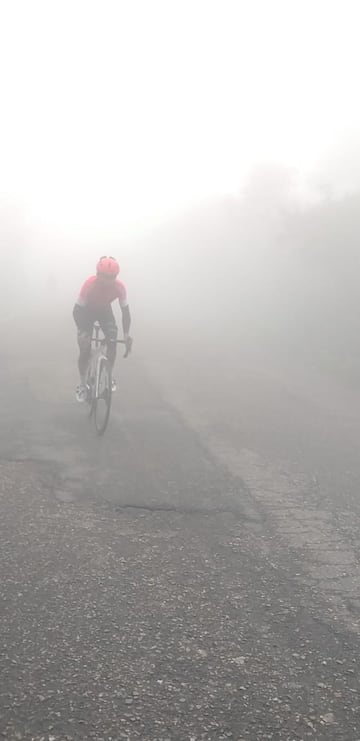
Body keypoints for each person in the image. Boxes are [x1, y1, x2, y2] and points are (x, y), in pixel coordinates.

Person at [73, 256, 132, 402]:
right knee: (85, 350)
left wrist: (126, 335)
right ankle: (82, 384)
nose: (107, 281)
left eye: (112, 277)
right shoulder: (89, 284)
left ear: (116, 277)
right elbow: (77, 310)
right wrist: (82, 332)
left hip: (105, 311)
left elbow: (126, 313)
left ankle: (109, 375)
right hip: (87, 312)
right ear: (97, 274)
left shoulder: (119, 287)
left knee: (112, 342)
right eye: (104, 276)